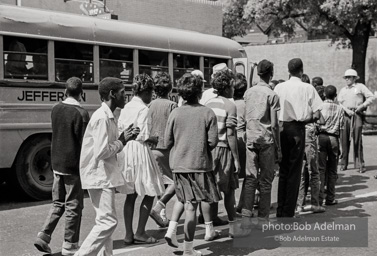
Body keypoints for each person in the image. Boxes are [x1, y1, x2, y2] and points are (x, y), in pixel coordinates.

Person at [75, 77, 138, 256]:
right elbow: (102, 152)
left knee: (104, 221)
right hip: (99, 175)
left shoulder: (109, 116)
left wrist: (124, 138)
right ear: (112, 94)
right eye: (122, 93)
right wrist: (122, 140)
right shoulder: (102, 117)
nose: (125, 97)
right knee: (108, 222)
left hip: (102, 174)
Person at [164, 73, 221, 255]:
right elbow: (212, 142)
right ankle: (188, 249)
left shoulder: (175, 113)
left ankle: (175, 235)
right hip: (200, 166)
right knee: (192, 209)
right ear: (200, 92)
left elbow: (167, 142)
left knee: (186, 205)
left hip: (179, 166)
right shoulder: (207, 113)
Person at [34, 77, 89, 255]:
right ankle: (70, 244)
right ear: (81, 94)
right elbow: (84, 144)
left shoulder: (56, 108)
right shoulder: (81, 114)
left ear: (65, 91)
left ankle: (44, 235)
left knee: (58, 202)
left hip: (56, 164)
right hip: (73, 166)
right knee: (74, 205)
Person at [118, 73, 165, 245]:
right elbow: (144, 135)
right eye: (151, 92)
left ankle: (128, 234)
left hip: (126, 150)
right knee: (149, 191)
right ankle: (140, 232)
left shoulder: (126, 107)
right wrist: (154, 138)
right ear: (145, 91)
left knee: (130, 194)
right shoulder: (144, 109)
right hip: (139, 151)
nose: (152, 95)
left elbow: (121, 130)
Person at [274, 58, 323, 217]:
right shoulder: (307, 88)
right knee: (295, 171)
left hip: (282, 127)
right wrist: (306, 118)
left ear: (288, 71)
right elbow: (317, 114)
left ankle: (280, 207)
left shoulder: (279, 87)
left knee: (283, 170)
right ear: (301, 70)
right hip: (298, 129)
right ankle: (289, 210)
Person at [239, 60, 281, 232]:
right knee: (265, 181)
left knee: (250, 180)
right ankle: (263, 219)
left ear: (258, 73)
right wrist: (279, 148)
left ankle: (246, 220)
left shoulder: (248, 93)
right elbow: (275, 124)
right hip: (266, 140)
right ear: (271, 73)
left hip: (251, 139)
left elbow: (245, 116)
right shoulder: (271, 94)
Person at [205, 69, 241, 235]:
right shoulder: (230, 105)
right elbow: (231, 134)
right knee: (229, 190)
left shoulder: (207, 105)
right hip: (224, 149)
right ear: (227, 87)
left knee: (209, 190)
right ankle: (233, 227)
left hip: (208, 150)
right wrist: (236, 159)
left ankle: (208, 229)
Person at [148, 72, 178, 228]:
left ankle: (162, 215)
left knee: (160, 182)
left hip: (152, 149)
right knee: (175, 181)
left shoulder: (150, 105)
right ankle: (159, 208)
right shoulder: (172, 105)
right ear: (170, 89)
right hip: (167, 148)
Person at [296, 75, 325, 214]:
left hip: (295, 133)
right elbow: (319, 117)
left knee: (301, 172)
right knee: (314, 171)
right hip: (308, 133)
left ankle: (299, 204)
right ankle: (315, 203)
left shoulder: (293, 94)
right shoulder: (309, 92)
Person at [338, 69, 375, 173]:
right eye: (346, 77)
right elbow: (339, 103)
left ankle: (360, 164)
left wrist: (362, 106)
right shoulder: (343, 90)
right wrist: (346, 110)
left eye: (349, 77)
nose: (347, 79)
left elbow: (371, 97)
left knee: (357, 139)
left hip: (357, 113)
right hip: (346, 115)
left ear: (354, 78)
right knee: (344, 139)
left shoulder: (360, 87)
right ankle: (343, 163)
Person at [318, 85, 344, 206]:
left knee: (321, 169)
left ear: (324, 94)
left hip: (322, 137)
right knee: (333, 170)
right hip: (334, 138)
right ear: (335, 95)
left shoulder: (320, 106)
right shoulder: (340, 109)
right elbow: (342, 128)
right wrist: (342, 147)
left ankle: (319, 198)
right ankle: (330, 198)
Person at [233, 73, 247, 214]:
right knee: (248, 175)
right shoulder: (245, 104)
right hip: (243, 139)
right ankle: (242, 204)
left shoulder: (228, 103)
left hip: (230, 139)